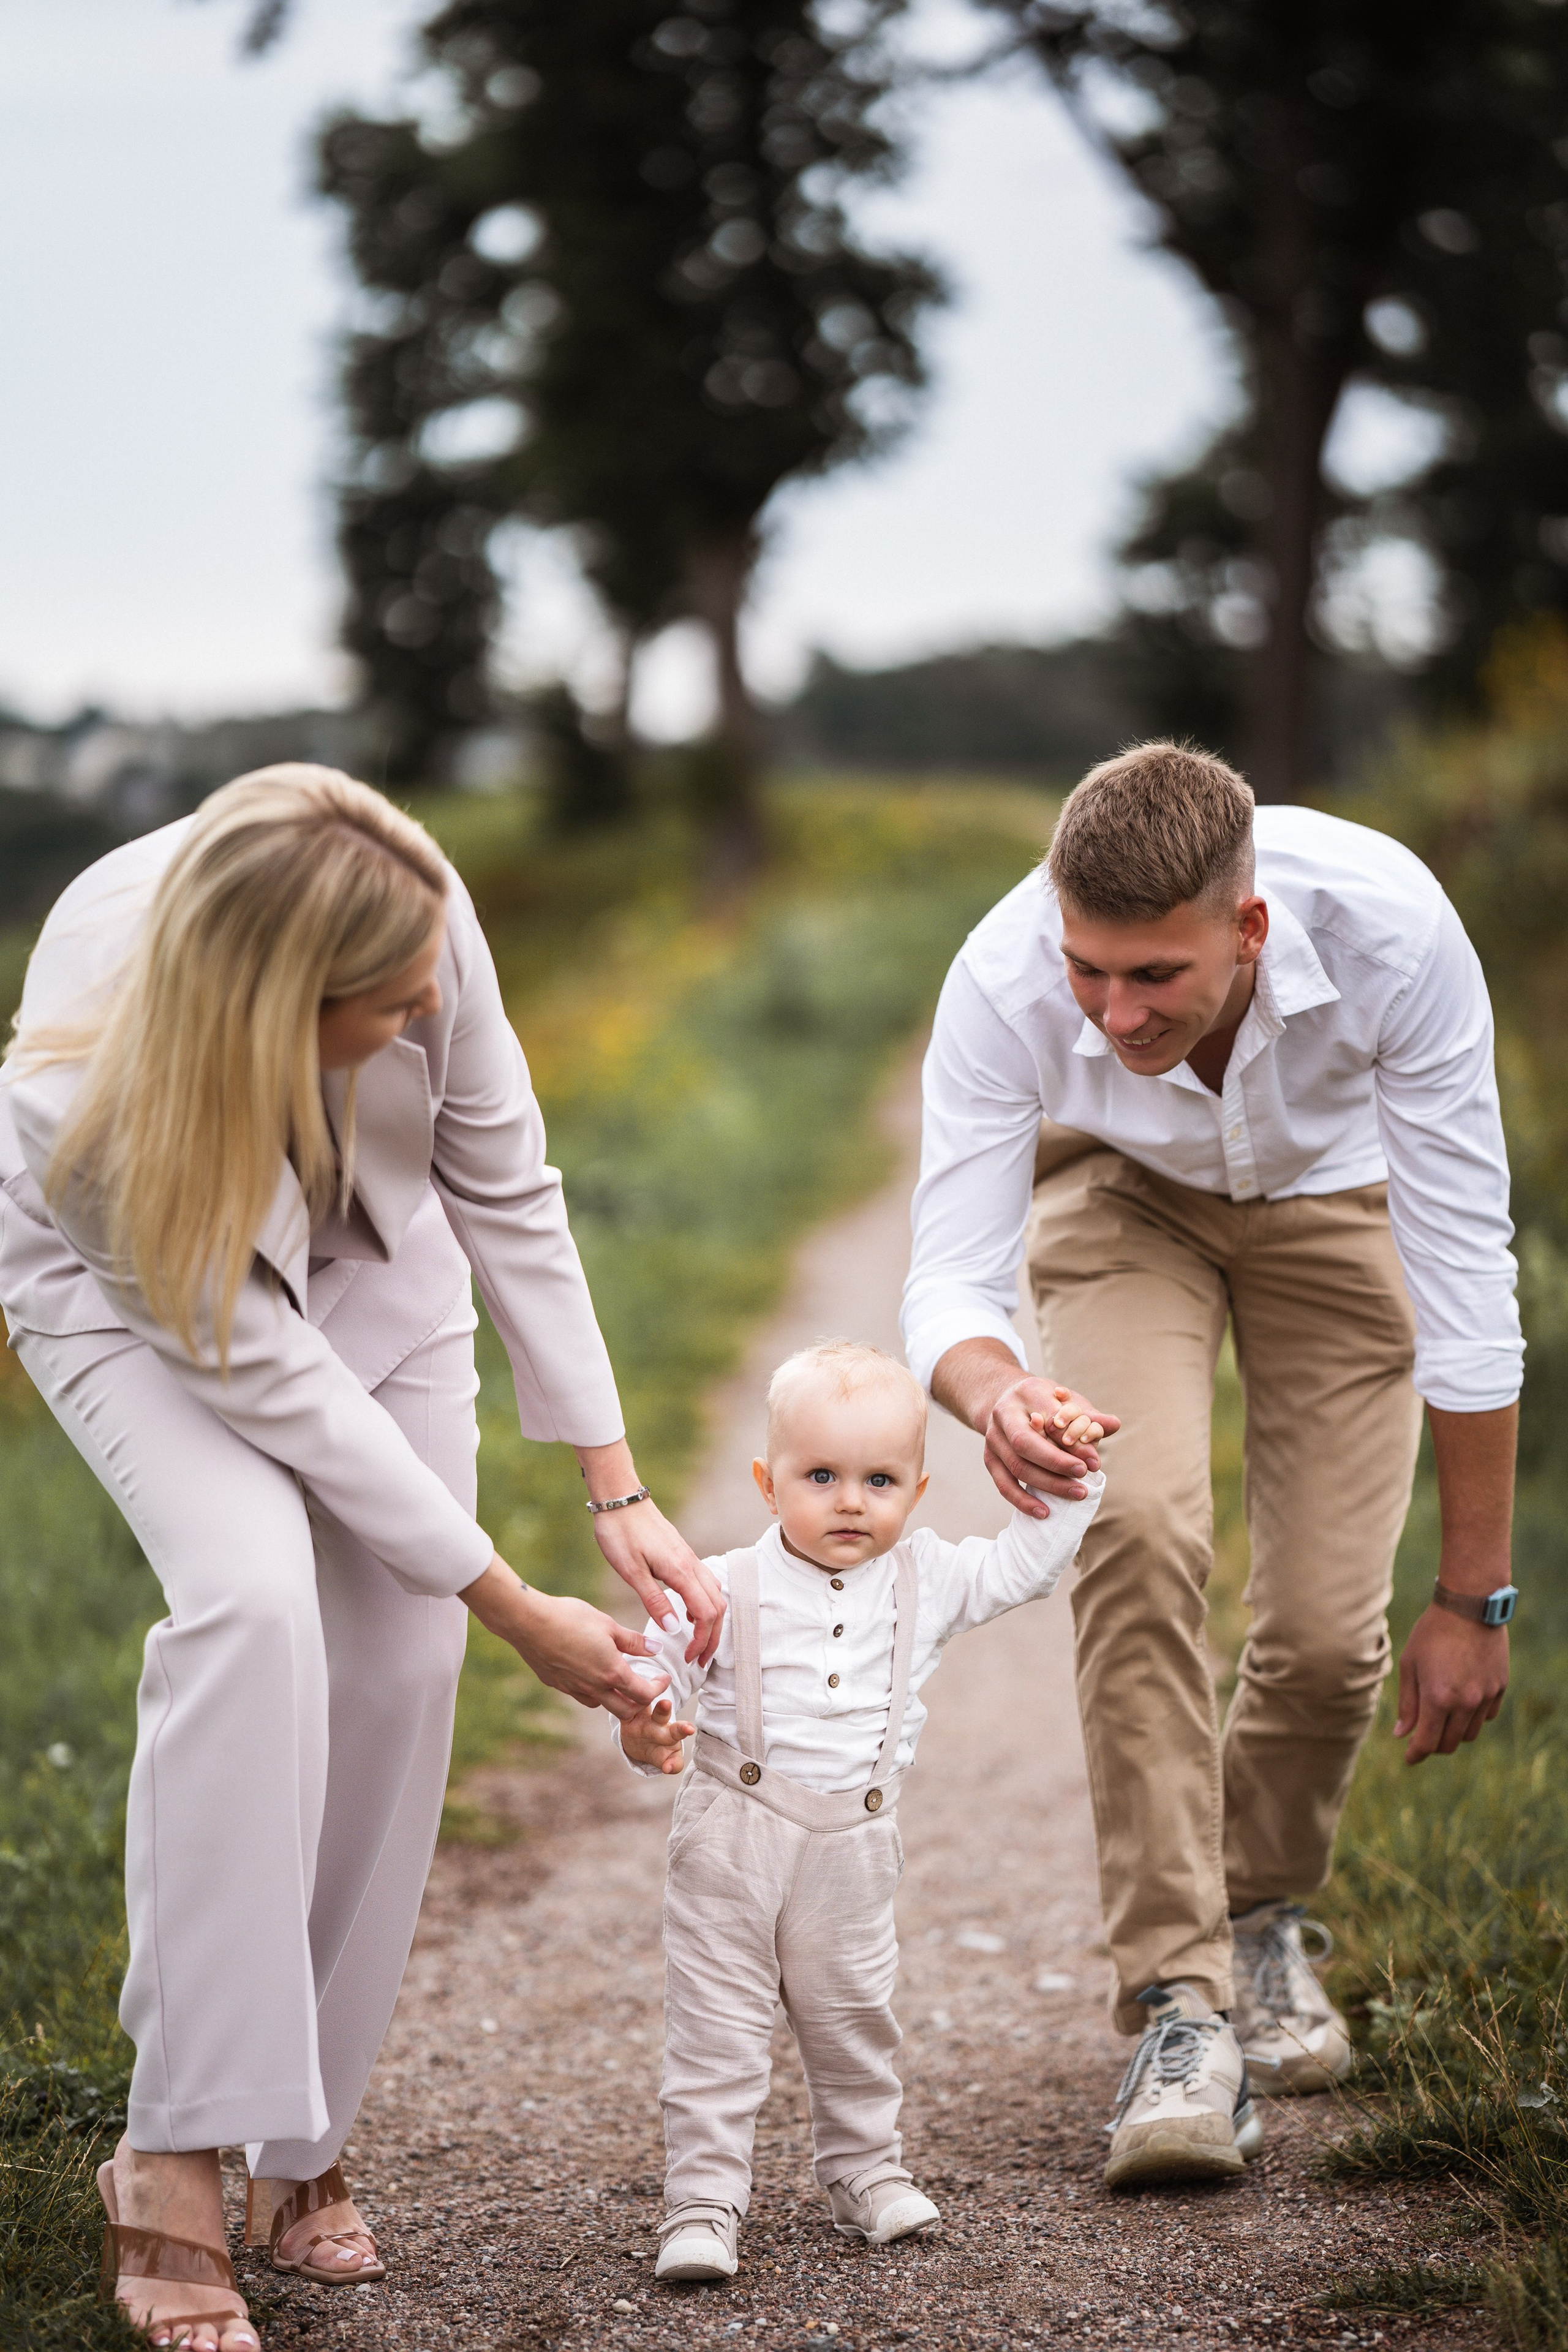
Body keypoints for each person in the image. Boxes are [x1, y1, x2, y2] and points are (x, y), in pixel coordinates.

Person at [0, 767, 723, 2351]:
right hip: (136, 1292)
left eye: (423, 996)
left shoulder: (415, 910)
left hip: (379, 1260)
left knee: (404, 1660)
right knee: (254, 1605)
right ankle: (172, 2151)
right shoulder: (85, 1097)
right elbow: (277, 1386)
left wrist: (613, 1493)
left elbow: (506, 1183)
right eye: (384, 1014)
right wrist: (528, 1609)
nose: (420, 1023)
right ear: (275, 1004)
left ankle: (299, 2134)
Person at [900, 742, 1521, 2187]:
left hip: (1336, 1206)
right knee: (1134, 1531)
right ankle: (1175, 2011)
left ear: (1244, 930)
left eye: (1152, 978)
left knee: (1321, 1640)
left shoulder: (1393, 931)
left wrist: (1475, 1592)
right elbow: (948, 1276)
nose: (1112, 1013)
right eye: (1088, 972)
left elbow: (1464, 1274)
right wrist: (994, 1392)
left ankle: (1256, 1919)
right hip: (1123, 1206)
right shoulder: (1002, 977)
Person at [611, 1340, 1107, 2280]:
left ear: (918, 1494)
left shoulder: (927, 1580)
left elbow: (1026, 1565)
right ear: (768, 1484)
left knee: (853, 2015)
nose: (850, 1500)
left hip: (854, 1842)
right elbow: (654, 1663)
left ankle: (863, 2169)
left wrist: (1073, 1471)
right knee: (718, 2027)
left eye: (880, 1480)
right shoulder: (723, 1584)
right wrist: (646, 1724)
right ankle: (704, 2203)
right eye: (821, 1476)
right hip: (732, 1837)